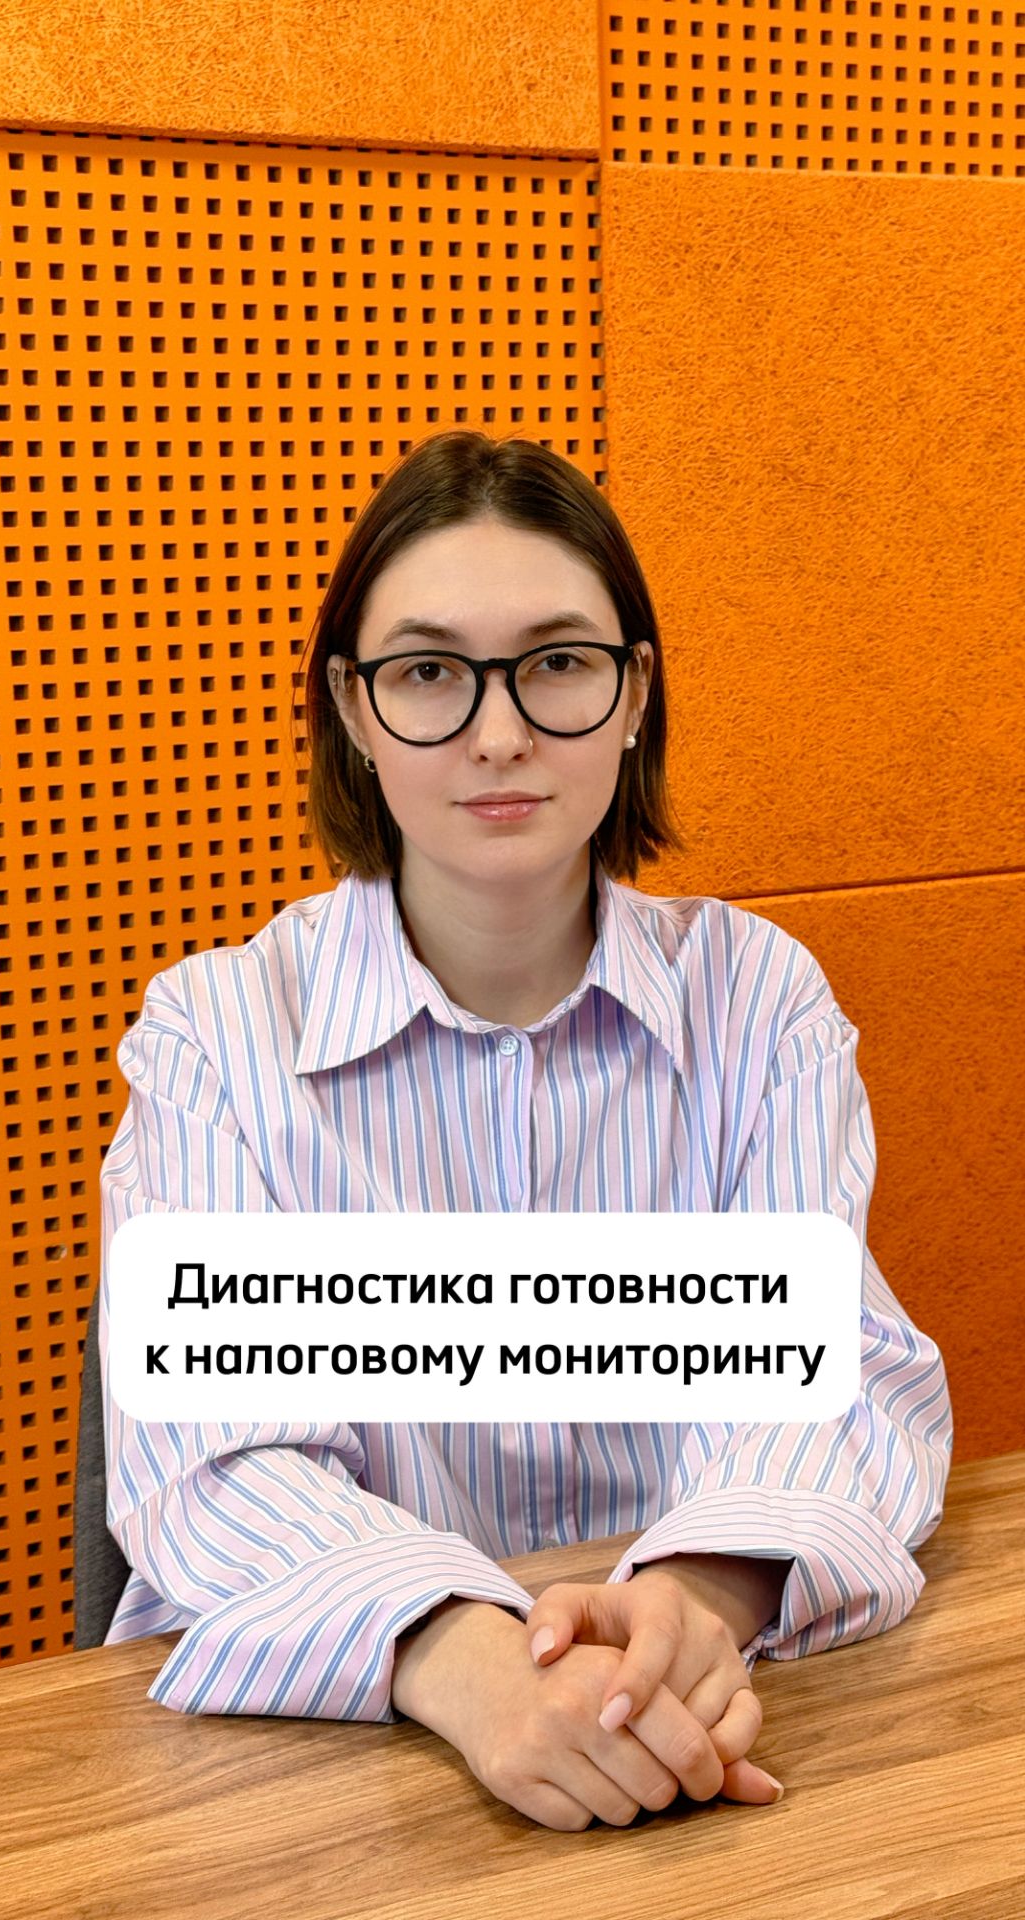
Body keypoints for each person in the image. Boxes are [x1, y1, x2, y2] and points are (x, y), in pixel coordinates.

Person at [98, 430, 952, 1833]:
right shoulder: (216, 1038)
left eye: (557, 662)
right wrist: (470, 1659)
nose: (499, 733)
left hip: (697, 1717)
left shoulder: (758, 1001)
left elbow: (835, 1370)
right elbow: (213, 1460)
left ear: (634, 694)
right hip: (329, 1782)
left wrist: (695, 1598)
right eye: (429, 673)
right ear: (354, 710)